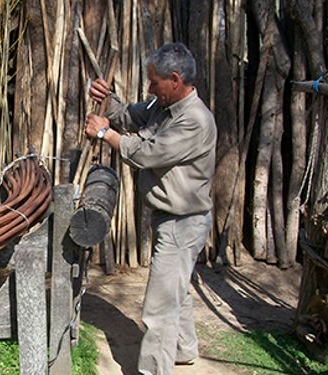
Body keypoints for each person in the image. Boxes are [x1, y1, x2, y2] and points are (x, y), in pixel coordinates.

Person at [85, 42, 217, 375]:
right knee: (174, 289)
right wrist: (107, 98)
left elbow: (147, 153)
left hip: (184, 223)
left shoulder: (195, 120)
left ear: (175, 79)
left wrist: (105, 133)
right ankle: (184, 350)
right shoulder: (163, 105)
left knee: (158, 307)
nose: (149, 88)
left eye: (154, 82)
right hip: (169, 219)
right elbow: (129, 116)